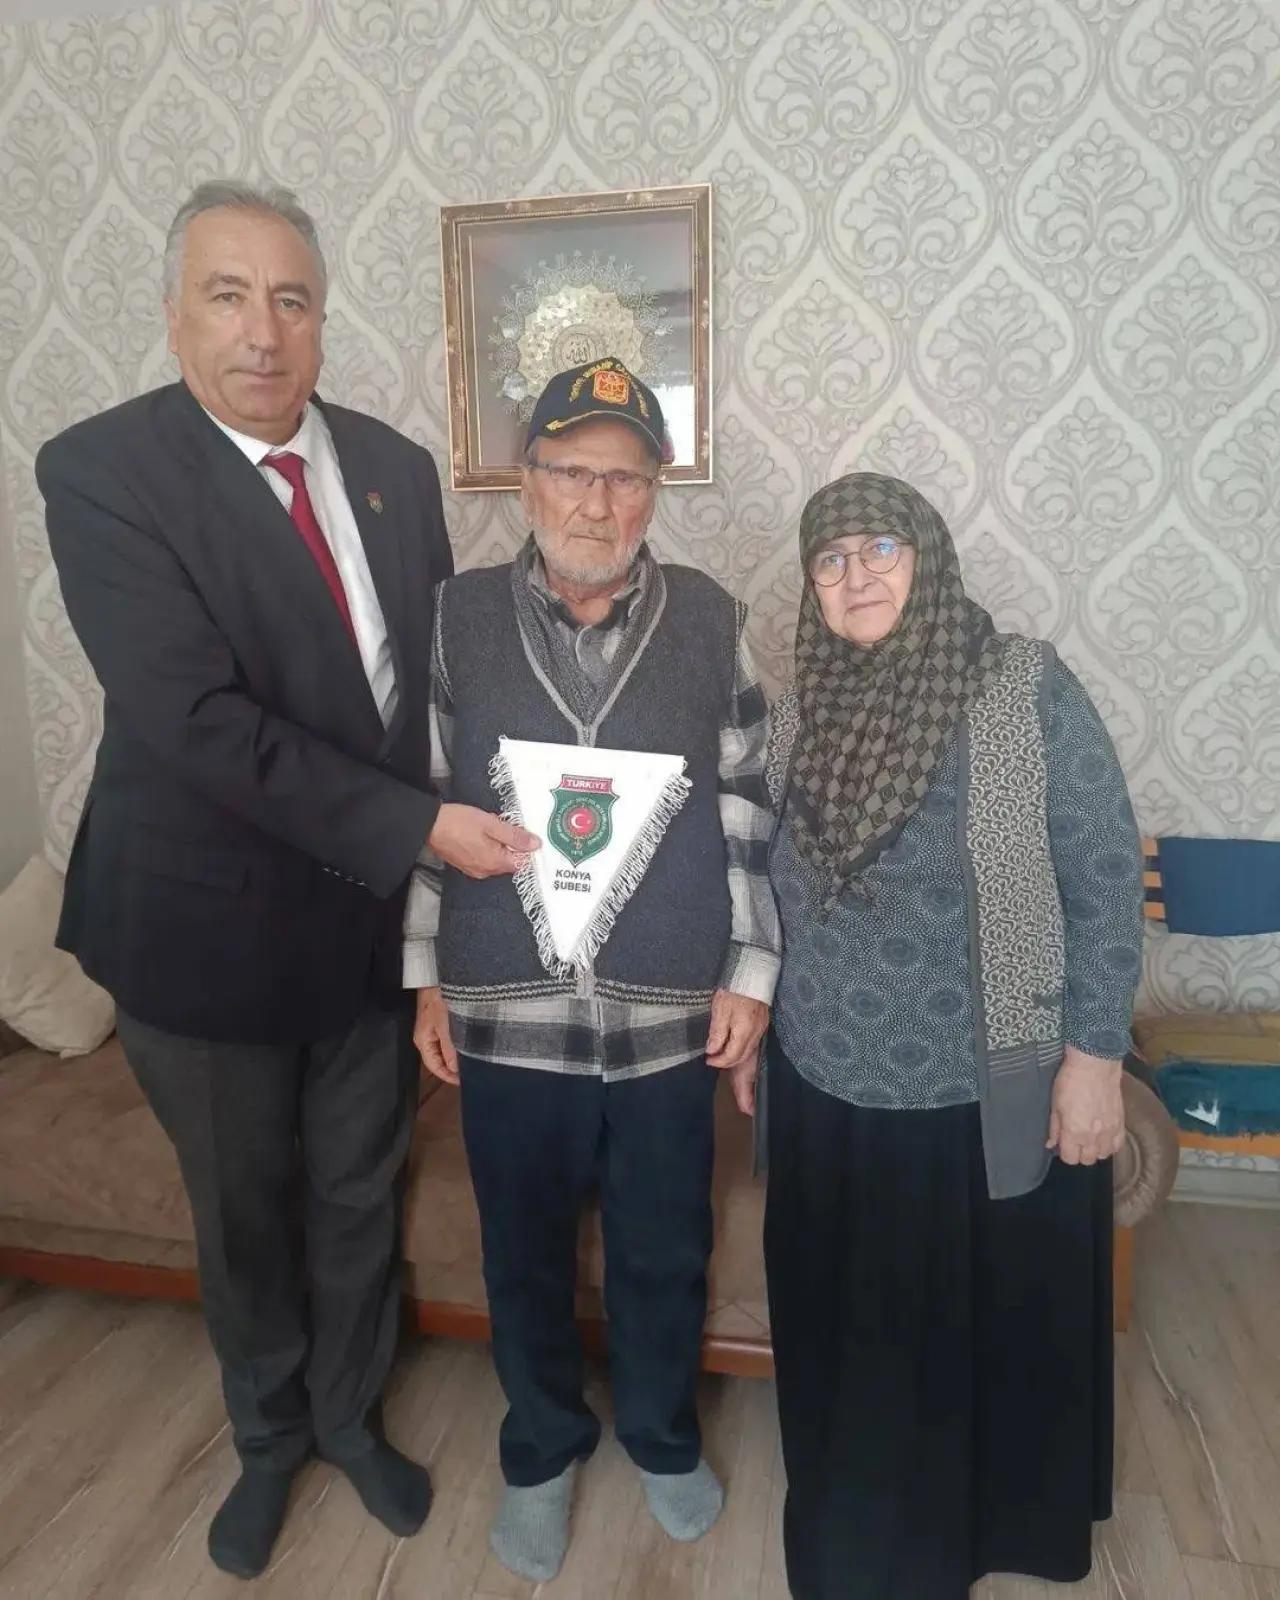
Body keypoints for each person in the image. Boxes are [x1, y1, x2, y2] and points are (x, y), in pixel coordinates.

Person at [36, 180, 535, 1581]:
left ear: (322, 319)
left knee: (358, 1194)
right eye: (228, 294)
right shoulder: (103, 472)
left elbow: (429, 690)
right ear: (175, 313)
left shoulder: (390, 466)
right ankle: (266, 1441)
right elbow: (199, 724)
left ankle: (349, 1418)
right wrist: (420, 828)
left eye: (292, 298)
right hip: (199, 936)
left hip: (363, 926)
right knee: (245, 1212)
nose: (263, 330)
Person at [407, 357, 781, 1582]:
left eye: (623, 478)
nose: (595, 501)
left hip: (668, 1006)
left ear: (653, 492)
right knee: (519, 1249)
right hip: (504, 999)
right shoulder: (455, 616)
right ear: (526, 482)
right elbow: (426, 800)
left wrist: (749, 970)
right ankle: (540, 1449)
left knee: (664, 1245)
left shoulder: (711, 616)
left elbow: (745, 800)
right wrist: (423, 971)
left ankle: (662, 1437)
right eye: (570, 471)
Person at [762, 473, 1146, 1600]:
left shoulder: (1019, 686)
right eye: (829, 559)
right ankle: (860, 1536)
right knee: (854, 1339)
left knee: (986, 1337)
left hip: (990, 1086)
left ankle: (979, 1537)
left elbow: (1103, 872)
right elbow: (764, 889)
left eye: (879, 547)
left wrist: (1094, 1059)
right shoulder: (796, 712)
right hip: (825, 1087)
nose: (856, 575)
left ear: (925, 557)